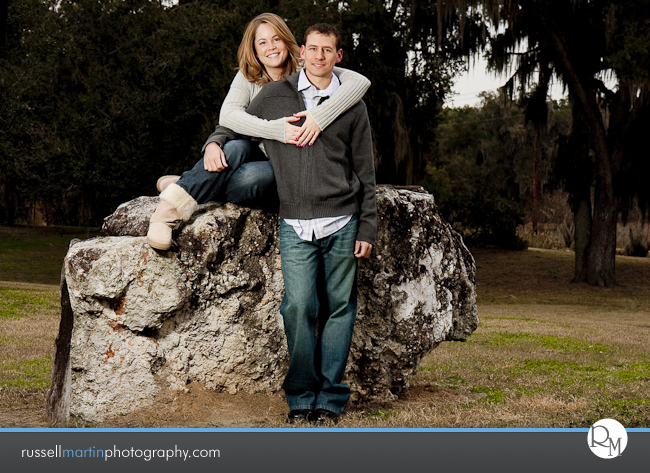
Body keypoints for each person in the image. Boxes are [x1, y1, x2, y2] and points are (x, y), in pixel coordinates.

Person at [207, 23, 376, 423]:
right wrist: (214, 142)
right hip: (295, 222)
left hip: (343, 220)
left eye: (327, 51)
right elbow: (233, 123)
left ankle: (330, 399)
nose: (318, 56)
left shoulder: (351, 104)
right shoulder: (274, 95)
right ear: (301, 51)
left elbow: (366, 171)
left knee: (339, 309)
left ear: (338, 57)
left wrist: (367, 226)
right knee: (298, 306)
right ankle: (300, 395)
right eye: (312, 49)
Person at [146, 13, 370, 250]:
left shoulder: (309, 66)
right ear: (254, 49)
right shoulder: (248, 77)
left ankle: (194, 183)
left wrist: (319, 117)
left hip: (287, 164)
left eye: (276, 39)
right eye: (262, 42)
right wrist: (215, 143)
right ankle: (165, 216)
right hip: (255, 150)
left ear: (288, 41)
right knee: (233, 147)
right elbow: (230, 118)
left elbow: (359, 82)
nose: (271, 48)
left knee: (260, 177)